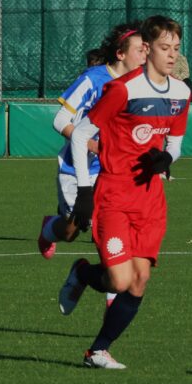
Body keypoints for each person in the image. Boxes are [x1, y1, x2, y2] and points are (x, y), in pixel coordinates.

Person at [59, 15, 191, 370]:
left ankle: (97, 351)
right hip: (114, 197)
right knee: (118, 279)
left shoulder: (181, 93)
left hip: (150, 201)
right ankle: (84, 273)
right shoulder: (122, 90)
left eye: (176, 49)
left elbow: (176, 144)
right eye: (165, 48)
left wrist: (166, 158)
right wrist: (85, 191)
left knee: (140, 280)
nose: (171, 55)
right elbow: (82, 134)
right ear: (146, 49)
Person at [38, 22, 146, 258]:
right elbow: (60, 120)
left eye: (147, 50)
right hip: (77, 167)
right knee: (70, 231)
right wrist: (93, 145)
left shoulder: (140, 84)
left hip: (112, 169)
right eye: (140, 50)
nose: (145, 56)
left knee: (111, 227)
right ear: (120, 53)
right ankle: (50, 228)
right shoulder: (93, 80)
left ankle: (114, 292)